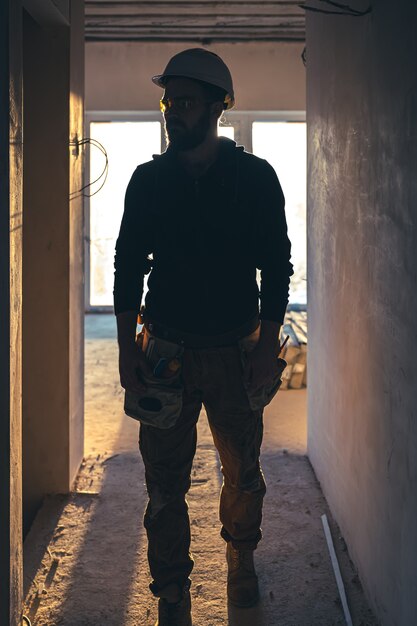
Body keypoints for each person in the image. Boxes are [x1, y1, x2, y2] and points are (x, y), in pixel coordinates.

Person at [114, 48, 293, 626]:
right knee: (164, 484)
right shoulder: (148, 181)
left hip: (236, 352)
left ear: (219, 107)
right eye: (169, 101)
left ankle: (240, 560)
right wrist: (124, 348)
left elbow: (278, 264)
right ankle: (173, 592)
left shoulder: (256, 179)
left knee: (243, 474)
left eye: (186, 102)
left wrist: (268, 346)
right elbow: (125, 268)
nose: (173, 112)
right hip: (164, 351)